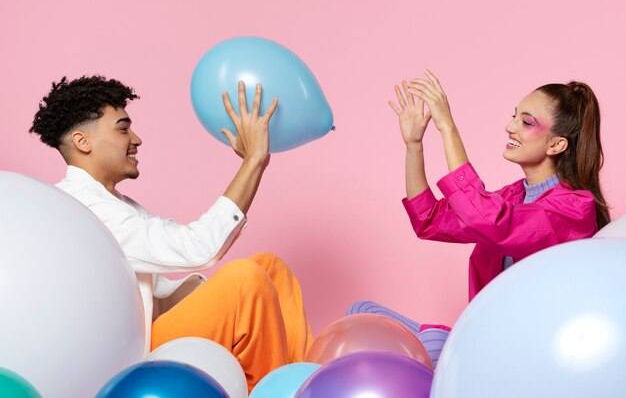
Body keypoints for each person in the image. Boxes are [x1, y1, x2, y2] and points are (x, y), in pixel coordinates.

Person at [30, 75, 313, 390]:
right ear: (83, 142)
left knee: (268, 267)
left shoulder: (117, 204)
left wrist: (217, 297)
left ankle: (305, 382)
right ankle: (274, 393)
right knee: (245, 280)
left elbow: (162, 297)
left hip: (154, 334)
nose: (136, 139)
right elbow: (199, 248)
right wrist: (254, 161)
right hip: (132, 361)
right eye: (123, 128)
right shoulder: (85, 209)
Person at [348, 70, 610, 366]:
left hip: (537, 353)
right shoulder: (512, 198)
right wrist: (414, 147)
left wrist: (447, 127)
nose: (510, 127)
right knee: (360, 313)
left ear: (556, 145)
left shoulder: (574, 209)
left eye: (525, 122)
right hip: (488, 337)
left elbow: (486, 219)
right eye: (514, 116)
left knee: (425, 351)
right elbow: (429, 220)